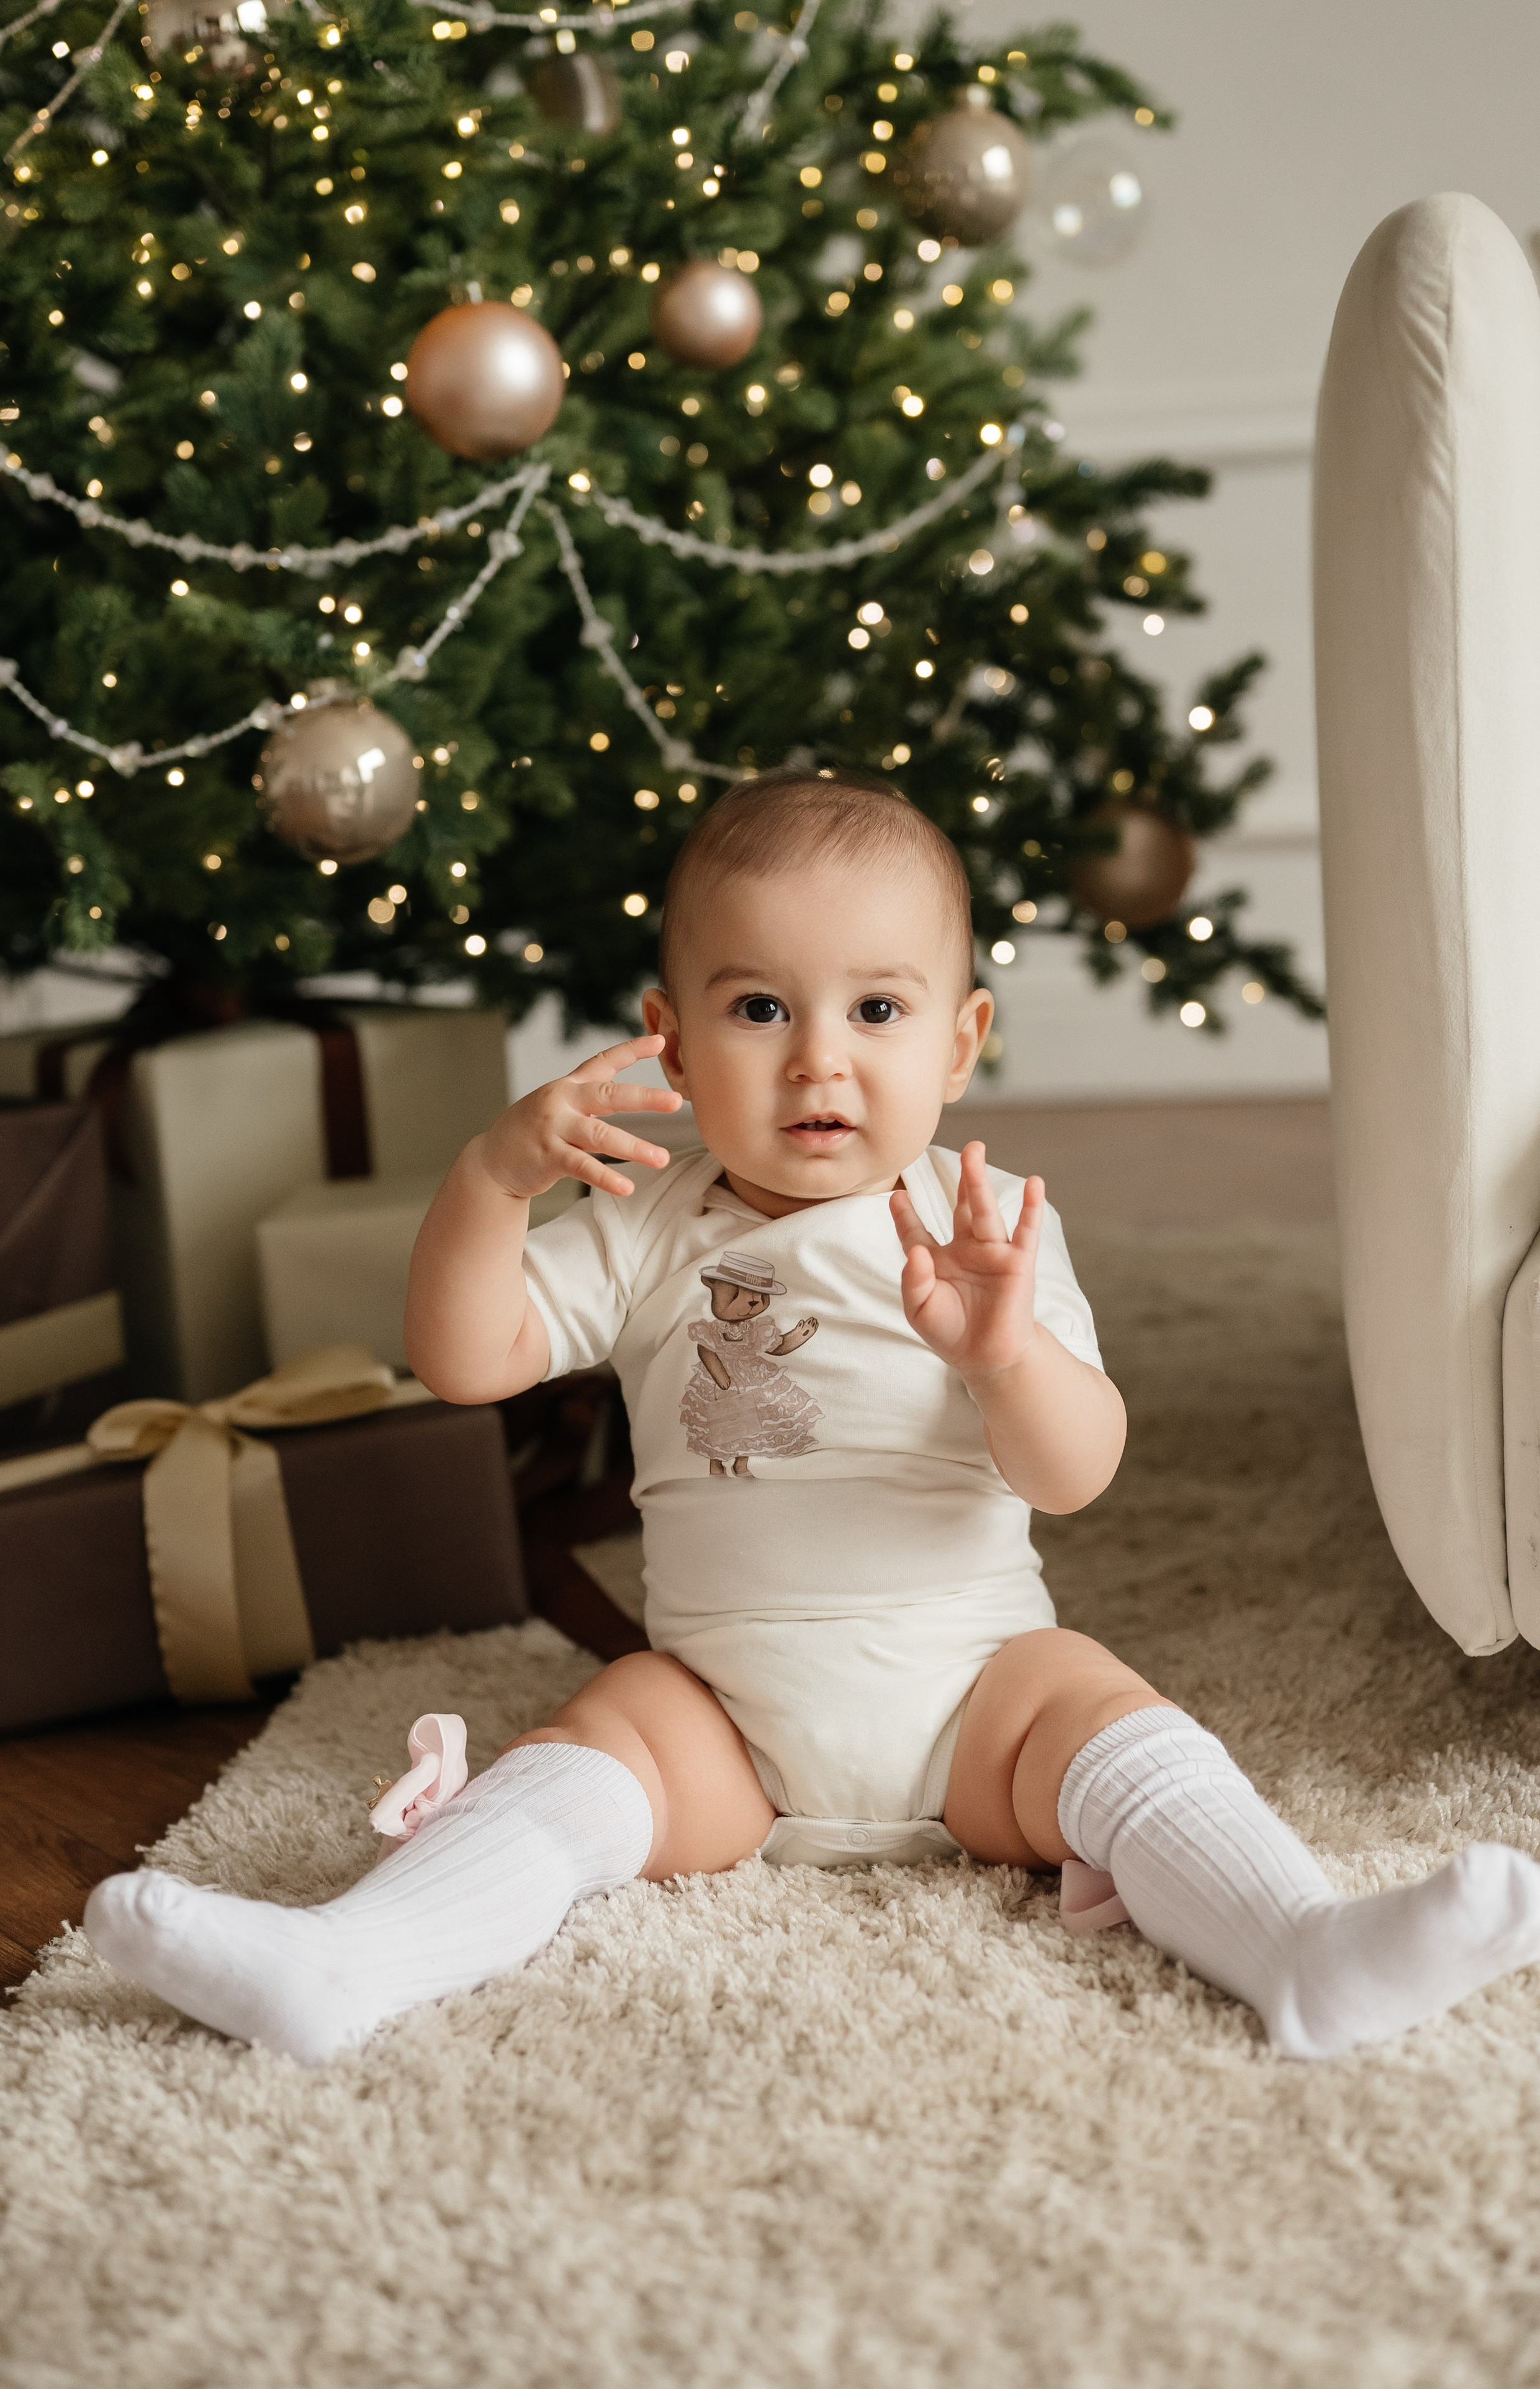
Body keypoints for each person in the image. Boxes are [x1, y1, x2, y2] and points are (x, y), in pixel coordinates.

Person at [85, 771, 1540, 2064]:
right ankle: (351, 1963)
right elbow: (466, 1359)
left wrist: (1003, 1353)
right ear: (667, 1037)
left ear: (959, 1041)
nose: (817, 1058)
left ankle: (1298, 1946)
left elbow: (1077, 1470)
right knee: (597, 1737)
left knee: (1092, 1693)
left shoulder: (984, 1230)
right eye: (759, 1006)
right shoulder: (652, 1231)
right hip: (725, 1717)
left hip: (971, 1701)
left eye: (877, 1008)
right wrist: (487, 1180)